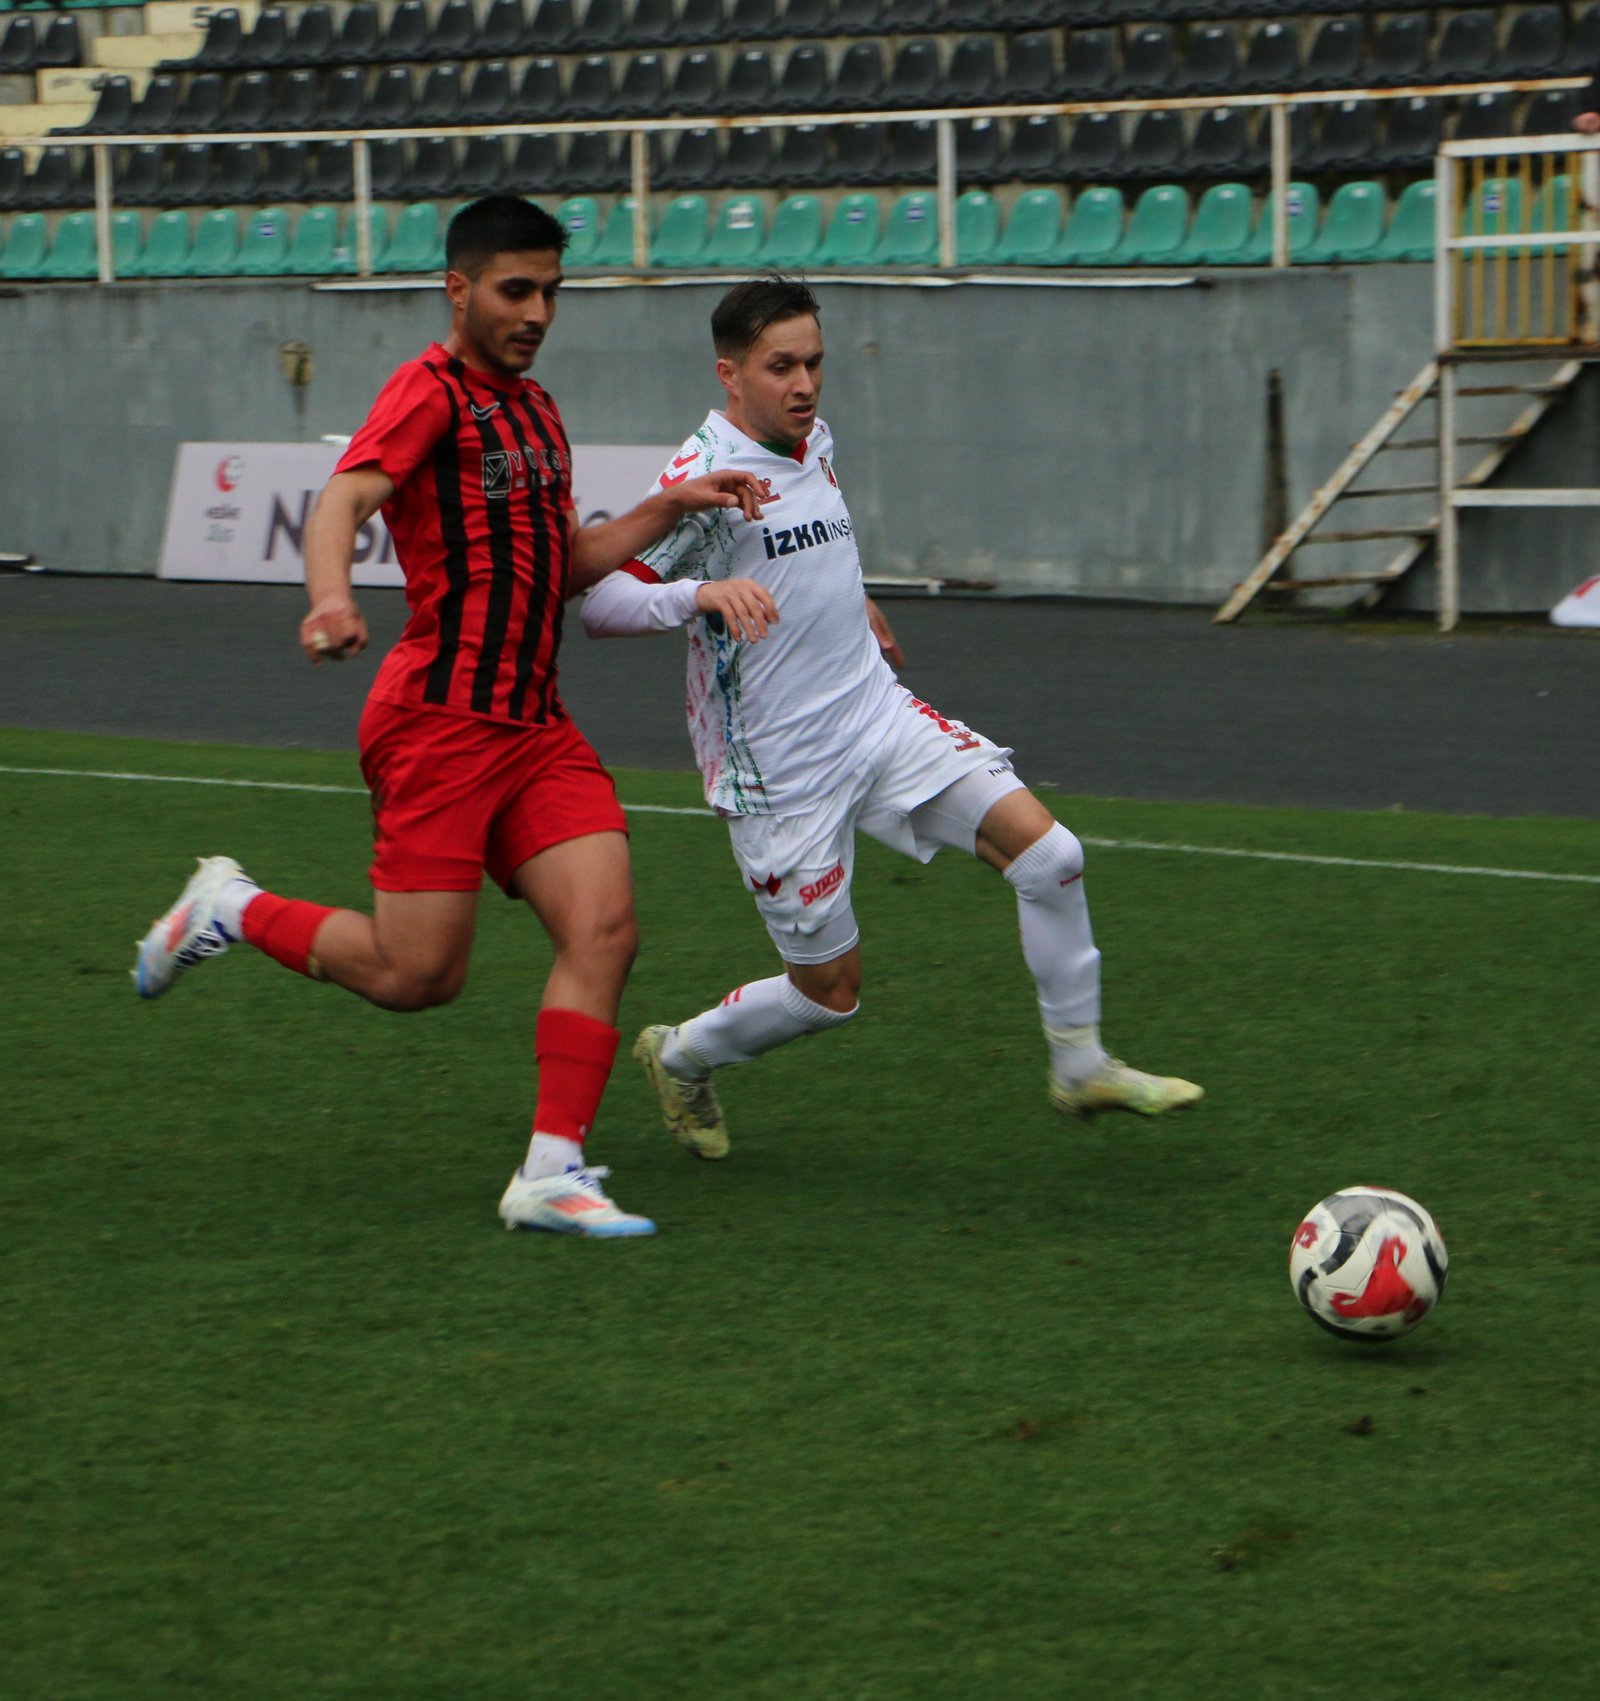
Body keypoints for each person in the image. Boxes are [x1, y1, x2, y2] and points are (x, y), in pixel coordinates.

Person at [131, 197, 768, 1238]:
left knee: (605, 927)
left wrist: (670, 505)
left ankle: (551, 1172)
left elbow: (563, 565)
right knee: (417, 975)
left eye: (550, 292)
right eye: (516, 291)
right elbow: (342, 500)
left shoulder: (538, 410)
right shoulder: (427, 392)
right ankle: (231, 906)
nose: (537, 313)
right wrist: (329, 598)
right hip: (439, 722)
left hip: (534, 725)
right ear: (458, 290)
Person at [580, 275, 1202, 1165]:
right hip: (780, 770)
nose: (804, 384)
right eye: (781, 367)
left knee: (1051, 856)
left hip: (875, 715)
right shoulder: (701, 478)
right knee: (827, 993)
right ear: (731, 374)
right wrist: (699, 594)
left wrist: (851, 597)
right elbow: (601, 607)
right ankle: (681, 1055)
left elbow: (805, 541)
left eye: (814, 362)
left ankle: (1080, 1064)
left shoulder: (812, 439)